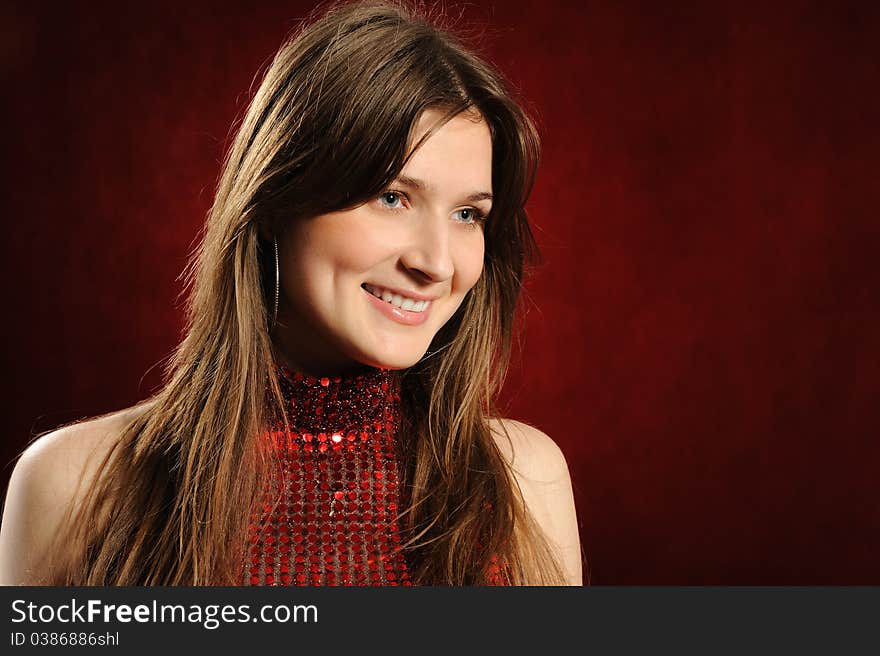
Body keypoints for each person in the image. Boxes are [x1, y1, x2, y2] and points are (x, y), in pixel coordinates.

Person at [0, 0, 582, 586]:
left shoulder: (522, 482)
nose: (435, 263)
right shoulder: (74, 490)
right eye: (391, 196)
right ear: (278, 201)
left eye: (466, 214)